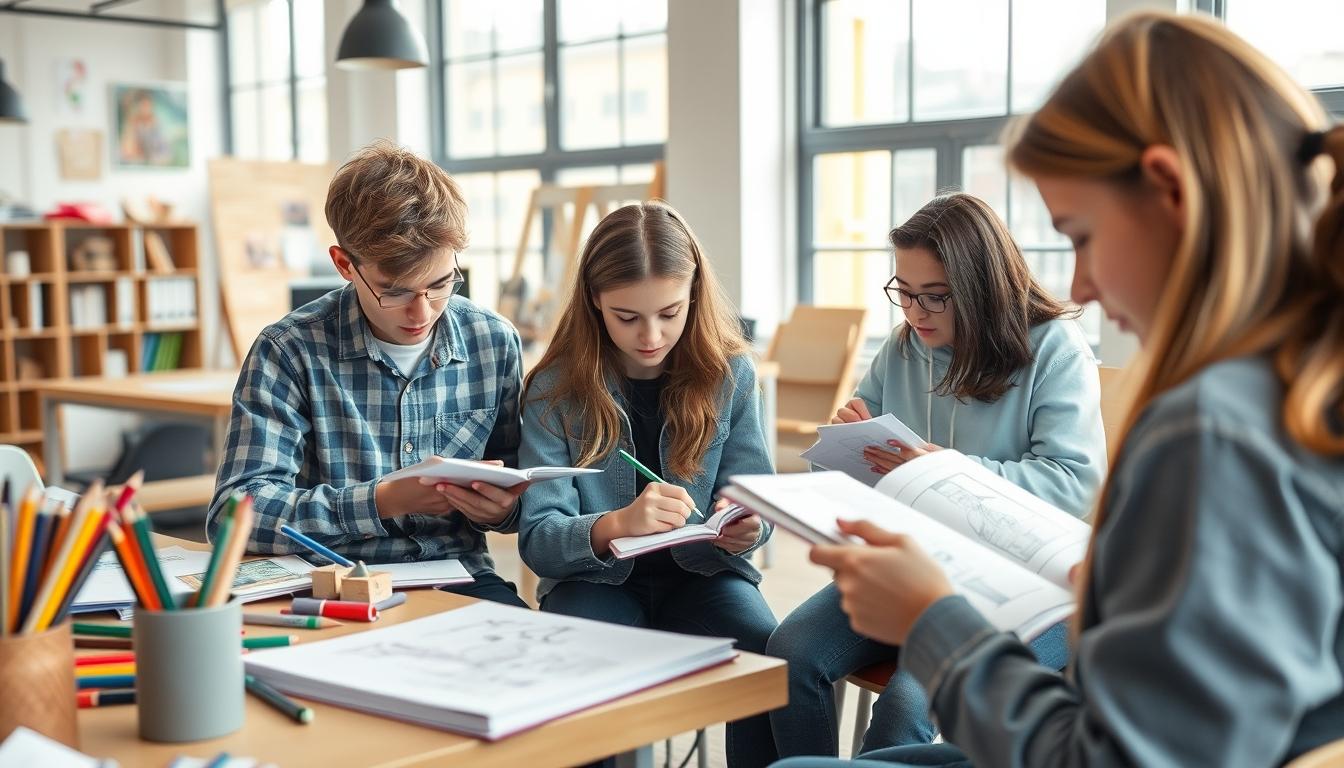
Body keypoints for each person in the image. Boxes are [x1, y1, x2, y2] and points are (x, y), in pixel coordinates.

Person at [775, 11, 1344, 767]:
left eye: (1080, 235)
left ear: (1168, 190)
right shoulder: (1292, 388)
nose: (1079, 283)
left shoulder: (1209, 429)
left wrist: (934, 619)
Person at [768, 192, 1105, 757]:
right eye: (903, 292)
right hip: (916, 559)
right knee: (789, 656)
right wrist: (852, 435)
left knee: (906, 704)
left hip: (1029, 583)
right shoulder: (903, 348)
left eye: (935, 297)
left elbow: (1073, 481)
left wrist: (943, 470)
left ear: (981, 287)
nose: (914, 312)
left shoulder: (1053, 347)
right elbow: (865, 440)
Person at [208, 140, 530, 608]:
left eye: (440, 284)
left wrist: (504, 509)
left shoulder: (493, 341)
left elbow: (513, 481)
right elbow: (234, 514)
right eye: (394, 291)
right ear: (344, 265)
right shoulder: (289, 350)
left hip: (457, 578)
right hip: (329, 584)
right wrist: (382, 501)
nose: (422, 311)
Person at [518, 202, 779, 767]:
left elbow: (761, 508)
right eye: (627, 317)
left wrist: (748, 529)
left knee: (770, 653)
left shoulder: (729, 374)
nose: (651, 335)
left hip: (705, 578)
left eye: (670, 312)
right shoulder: (553, 389)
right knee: (582, 667)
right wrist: (614, 526)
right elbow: (538, 540)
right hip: (595, 583)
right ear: (594, 301)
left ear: (694, 295)